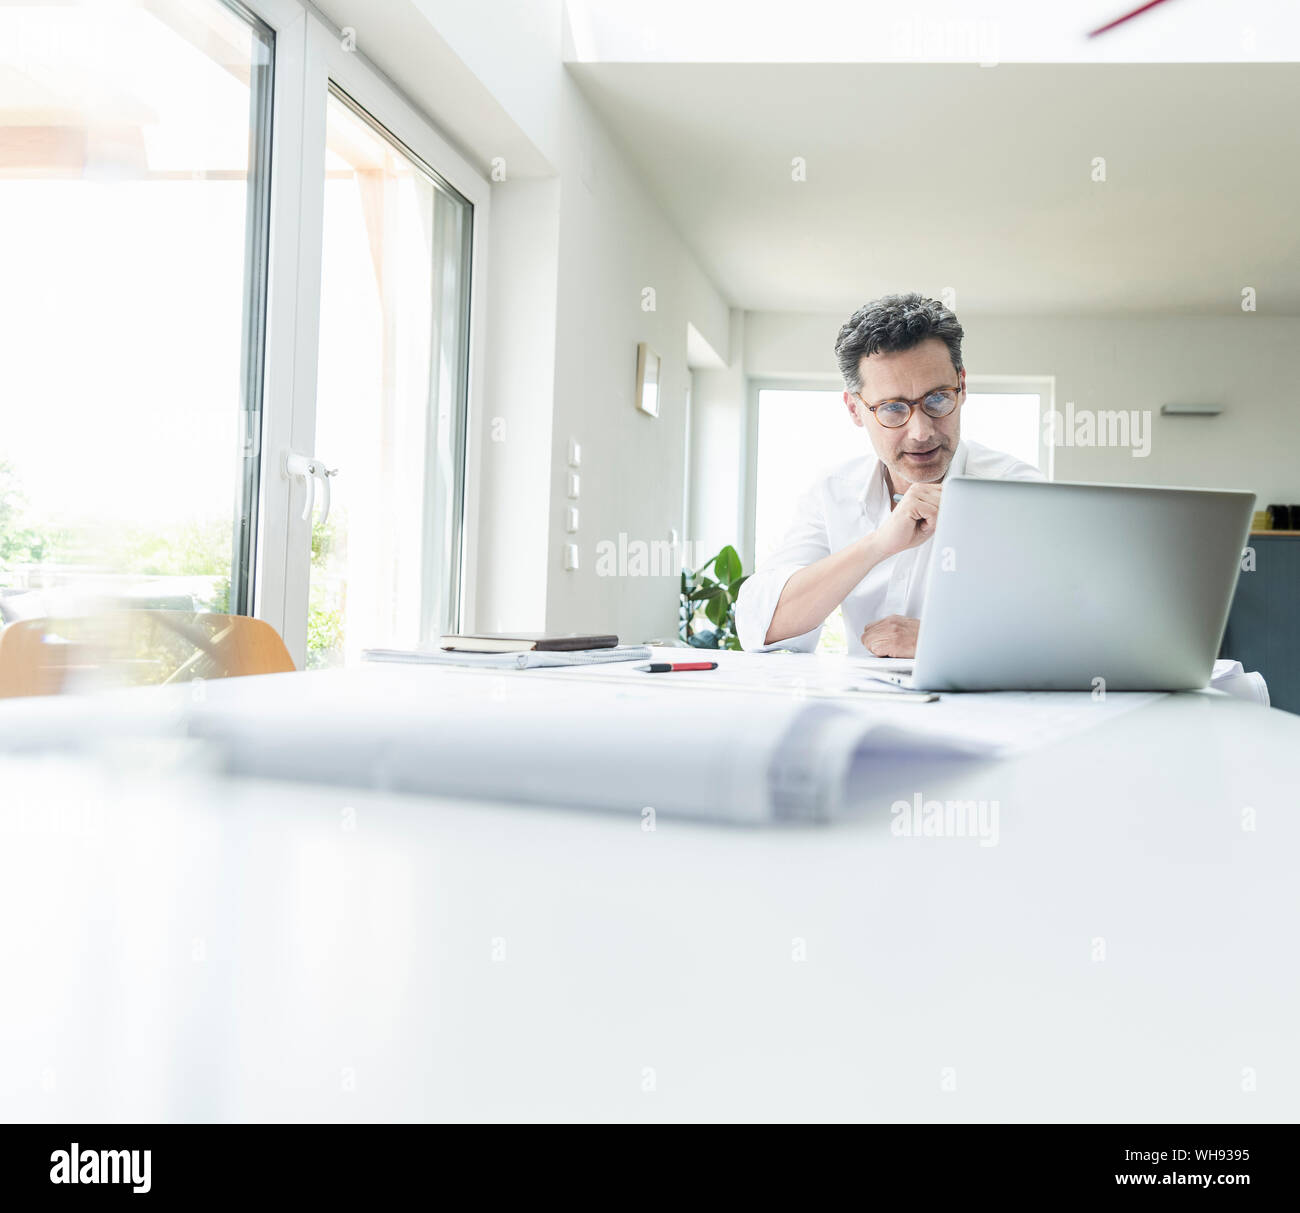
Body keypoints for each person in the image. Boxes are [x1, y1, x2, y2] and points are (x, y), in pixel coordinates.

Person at [735, 293, 1042, 658]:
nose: (921, 432)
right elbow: (761, 626)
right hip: (861, 709)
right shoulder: (832, 491)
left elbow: (1067, 631)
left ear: (962, 386)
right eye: (893, 408)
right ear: (854, 408)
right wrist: (880, 544)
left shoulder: (1018, 491)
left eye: (938, 399)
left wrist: (937, 640)